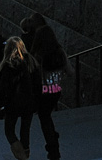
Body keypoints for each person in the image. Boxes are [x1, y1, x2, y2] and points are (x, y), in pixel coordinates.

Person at [0, 37, 42, 160]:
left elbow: (4, 89)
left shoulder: (8, 65)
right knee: (25, 129)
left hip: (13, 104)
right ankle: (25, 153)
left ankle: (22, 156)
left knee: (9, 131)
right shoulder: (31, 61)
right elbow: (38, 84)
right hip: (29, 102)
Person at [29, 25, 67, 159]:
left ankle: (53, 149)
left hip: (44, 91)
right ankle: (53, 136)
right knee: (47, 115)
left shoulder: (38, 55)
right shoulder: (59, 51)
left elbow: (34, 76)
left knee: (43, 117)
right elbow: (70, 71)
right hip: (56, 89)